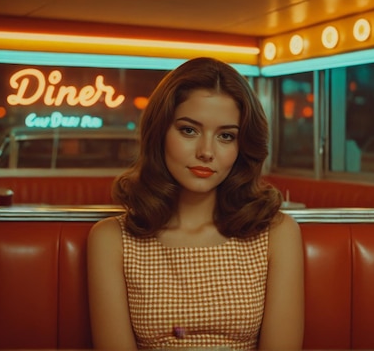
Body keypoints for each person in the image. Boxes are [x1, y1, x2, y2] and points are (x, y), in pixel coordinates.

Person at [87, 57, 305, 350]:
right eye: (189, 130)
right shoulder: (112, 239)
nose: (206, 152)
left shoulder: (276, 234)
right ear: (160, 133)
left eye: (226, 136)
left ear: (242, 148)